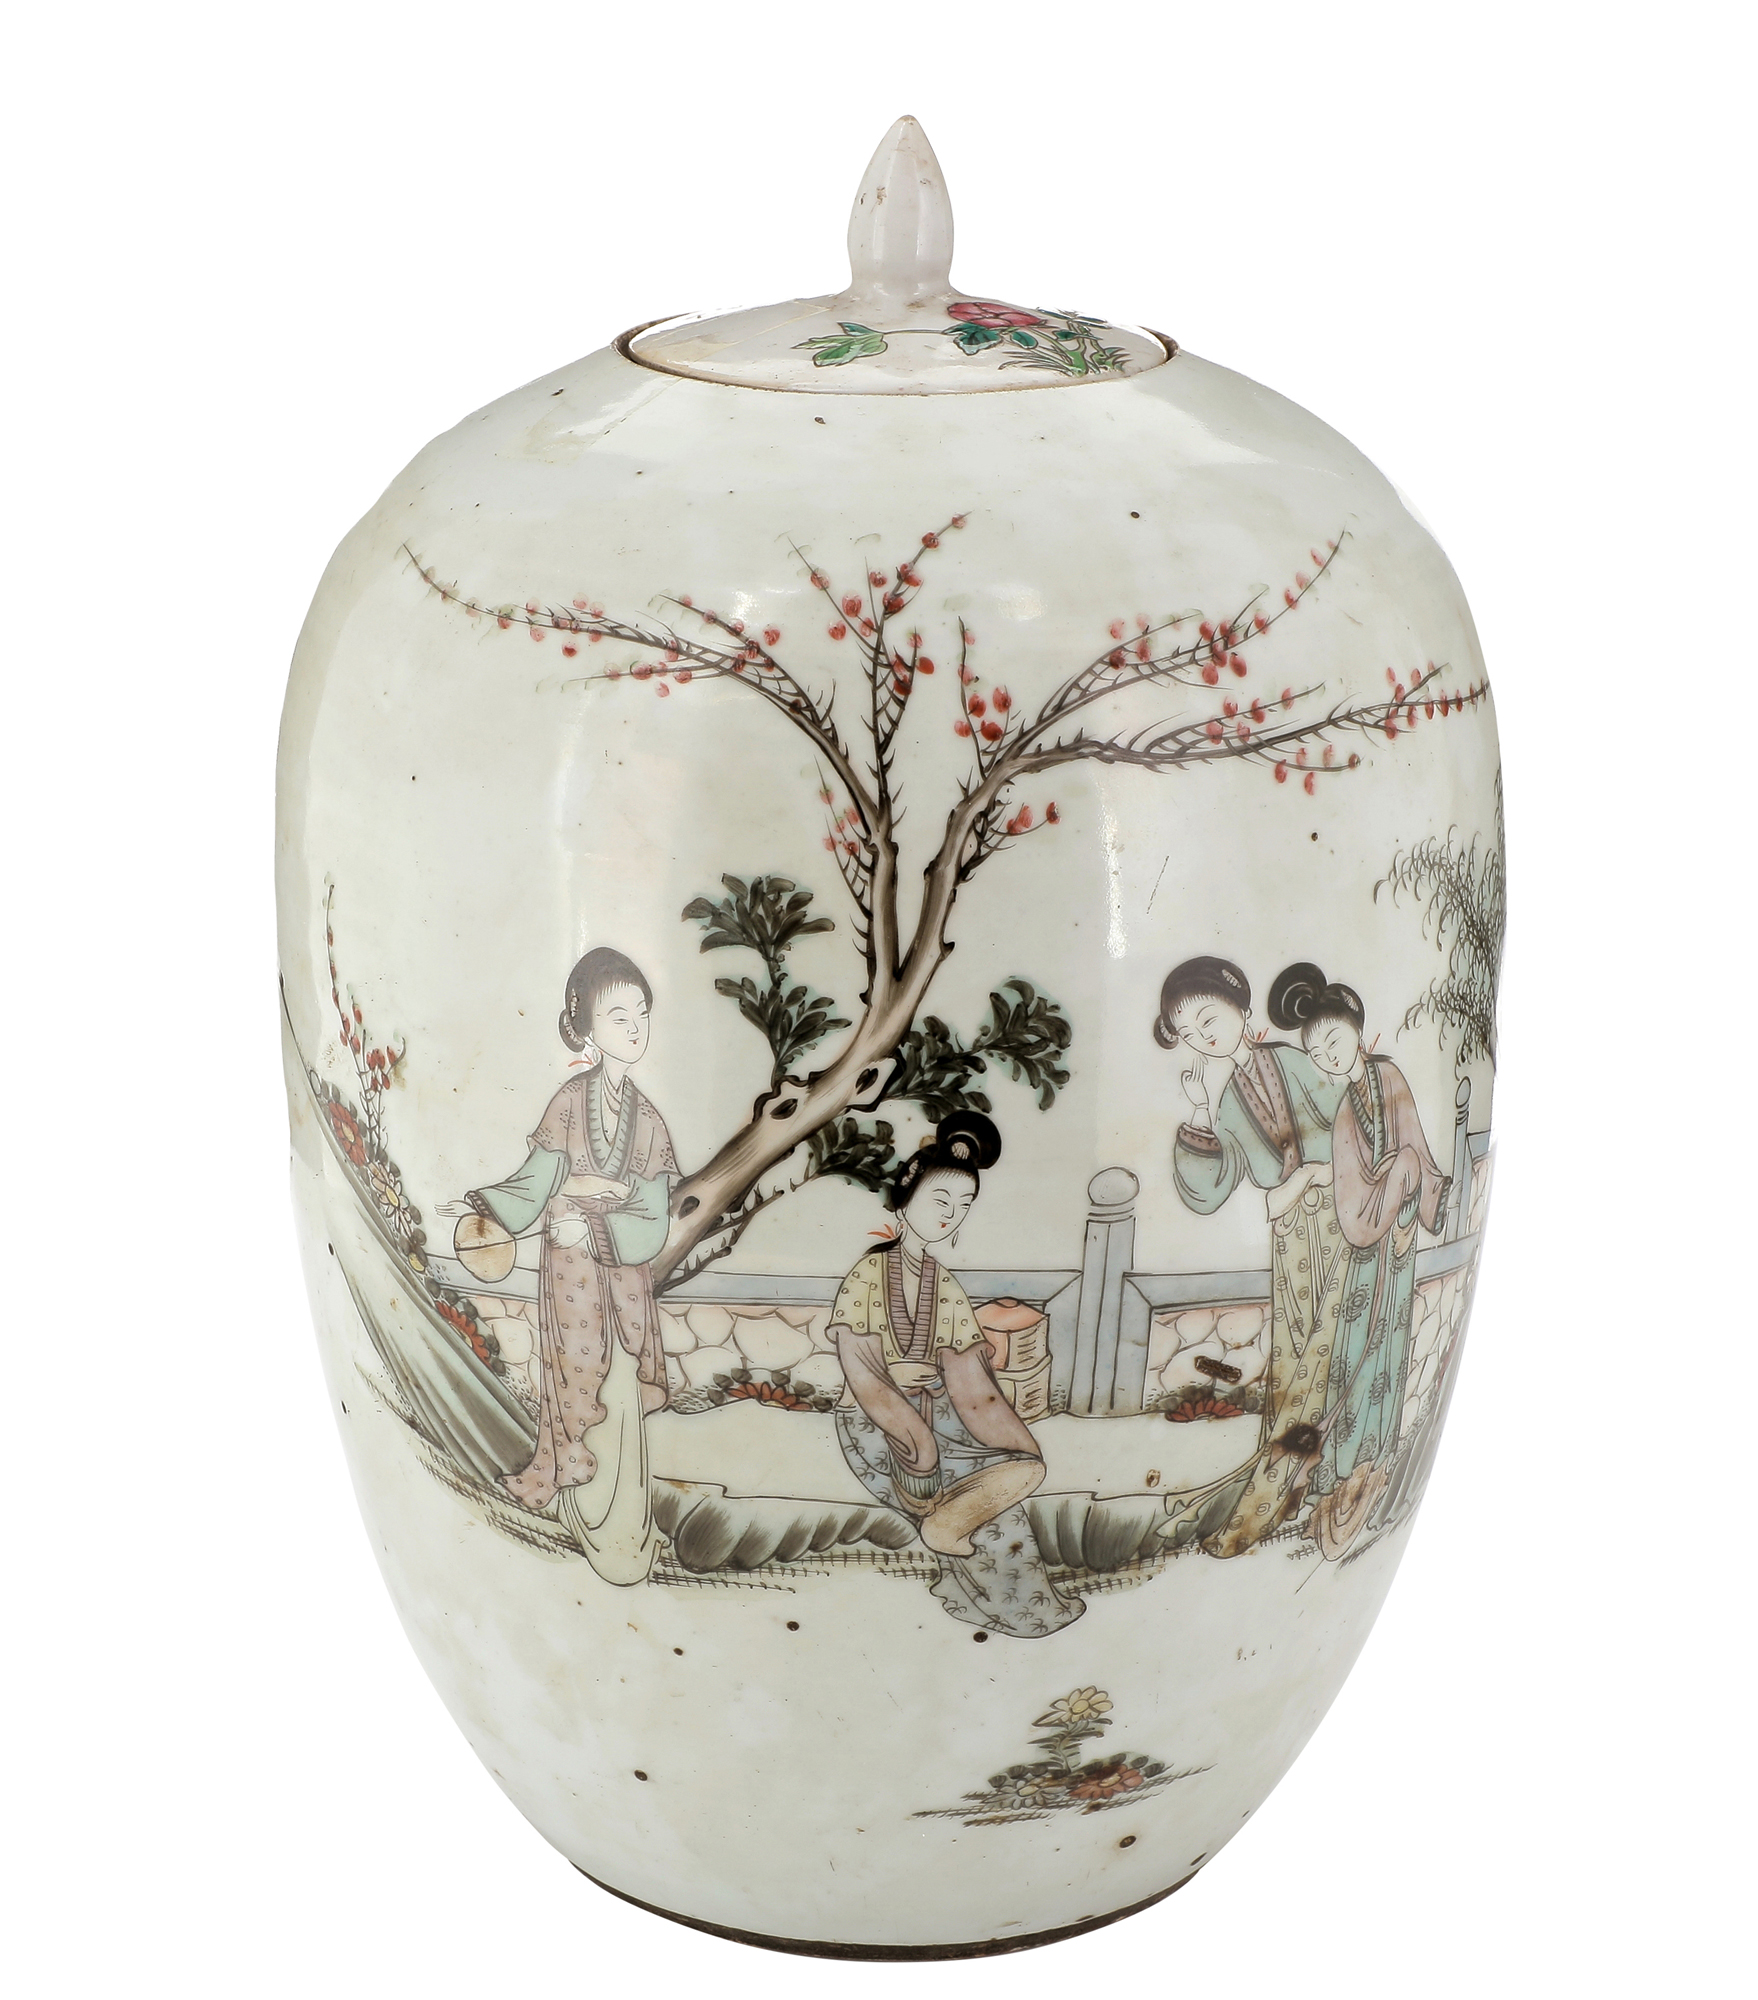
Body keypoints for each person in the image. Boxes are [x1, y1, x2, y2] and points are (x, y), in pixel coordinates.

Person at [465, 948, 677, 1584]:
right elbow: (536, 1180)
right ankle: (577, 1505)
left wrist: (598, 1221)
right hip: (570, 1271)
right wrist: (491, 1209)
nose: (634, 1027)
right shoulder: (567, 1103)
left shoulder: (651, 1121)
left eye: (641, 1013)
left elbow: (654, 1217)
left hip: (621, 1273)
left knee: (620, 1390)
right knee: (571, 1376)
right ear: (586, 1027)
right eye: (618, 1016)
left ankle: (622, 1525)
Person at [828, 1113, 1082, 1636]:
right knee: (969, 1498)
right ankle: (1010, 1602)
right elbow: (861, 1368)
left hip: (939, 1411)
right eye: (940, 1200)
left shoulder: (942, 1282)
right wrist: (913, 1429)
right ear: (906, 1198)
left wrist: (1010, 1440)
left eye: (963, 1206)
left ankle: (995, 1596)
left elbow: (969, 1374)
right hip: (876, 1418)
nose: (950, 1215)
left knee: (1002, 1494)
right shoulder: (868, 1273)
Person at [1157, 957, 1351, 1557]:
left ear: (1241, 1009)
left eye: (1207, 1019)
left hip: (1341, 1223)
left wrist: (1319, 1173)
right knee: (1295, 1362)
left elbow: (1347, 1115)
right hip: (1293, 1235)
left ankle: (1279, 1497)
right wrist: (1197, 1111)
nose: (1202, 1038)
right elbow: (1211, 1189)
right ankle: (1282, 1489)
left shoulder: (1296, 1061)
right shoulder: (1228, 1102)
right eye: (1187, 1034)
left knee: (1325, 1356)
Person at [1274, 964, 1450, 1558]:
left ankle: (1374, 1457)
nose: (1328, 1056)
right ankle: (1340, 1463)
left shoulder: (1390, 1076)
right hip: (1368, 1249)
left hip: (1399, 1243)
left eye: (1333, 1041)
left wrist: (1405, 1184)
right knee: (1357, 1343)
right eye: (1316, 1052)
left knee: (1390, 1343)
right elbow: (1351, 1192)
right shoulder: (1347, 1109)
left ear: (1356, 1031)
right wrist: (1388, 1190)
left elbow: (1416, 1147)